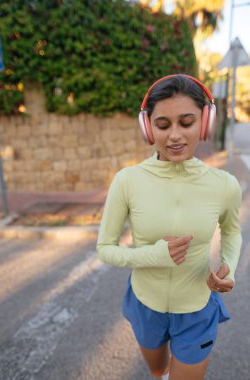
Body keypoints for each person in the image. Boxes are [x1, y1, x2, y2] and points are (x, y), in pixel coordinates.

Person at [96, 74, 242, 380]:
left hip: (198, 307)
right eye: (163, 125)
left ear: (205, 122)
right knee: (157, 369)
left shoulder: (225, 185)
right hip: (145, 303)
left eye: (186, 123)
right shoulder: (127, 181)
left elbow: (232, 231)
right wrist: (154, 256)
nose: (174, 136)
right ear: (148, 128)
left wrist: (229, 267)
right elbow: (105, 249)